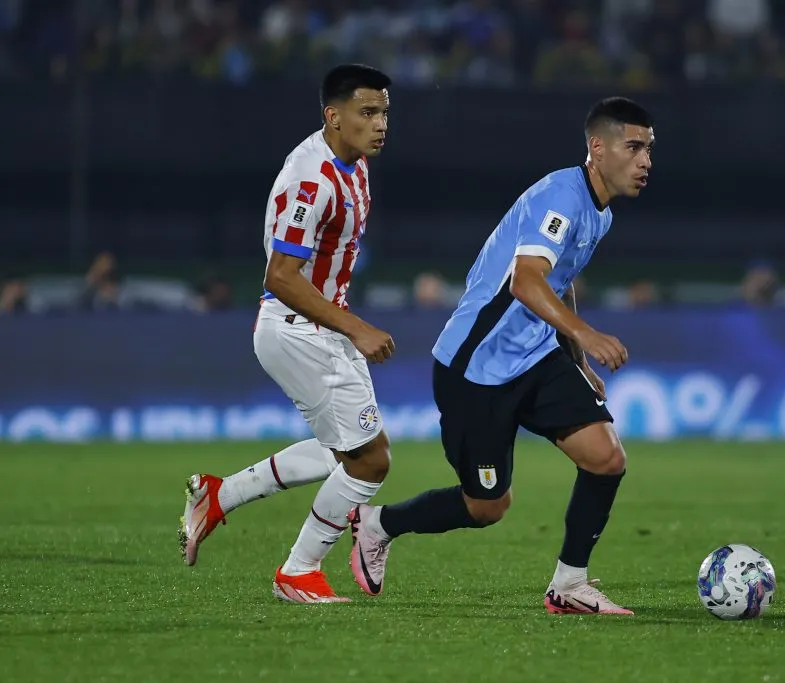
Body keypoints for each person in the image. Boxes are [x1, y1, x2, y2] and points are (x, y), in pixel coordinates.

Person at [347, 97, 654, 615]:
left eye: (650, 149)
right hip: (475, 371)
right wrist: (588, 334)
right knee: (487, 506)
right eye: (635, 147)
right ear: (597, 149)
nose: (646, 160)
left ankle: (569, 584)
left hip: (536, 358)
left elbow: (560, 283)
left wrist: (577, 361)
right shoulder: (562, 198)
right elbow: (526, 281)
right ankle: (378, 526)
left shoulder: (598, 212)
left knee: (606, 458)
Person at [179, 64, 396, 604]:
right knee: (370, 461)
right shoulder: (311, 178)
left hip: (320, 327)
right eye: (367, 112)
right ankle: (298, 571)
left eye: (384, 112)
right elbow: (280, 277)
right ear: (333, 116)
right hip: (301, 329)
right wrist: (356, 327)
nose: (380, 123)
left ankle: (219, 496)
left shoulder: (354, 164)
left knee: (339, 455)